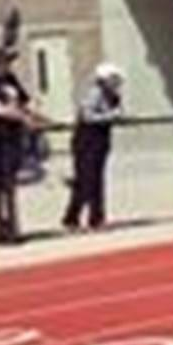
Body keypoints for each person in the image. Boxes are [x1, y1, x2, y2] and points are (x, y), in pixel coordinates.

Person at [0, 47, 46, 245]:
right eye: (5, 62)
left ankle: (13, 226)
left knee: (10, 184)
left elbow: (24, 101)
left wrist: (35, 115)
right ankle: (1, 227)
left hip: (11, 139)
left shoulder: (10, 80)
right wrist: (24, 119)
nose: (9, 65)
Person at [62, 63, 125, 231]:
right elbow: (88, 116)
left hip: (101, 140)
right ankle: (76, 218)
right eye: (113, 79)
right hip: (86, 140)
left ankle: (93, 218)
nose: (116, 83)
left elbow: (118, 110)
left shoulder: (113, 96)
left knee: (96, 180)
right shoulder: (94, 94)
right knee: (86, 180)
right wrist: (111, 116)